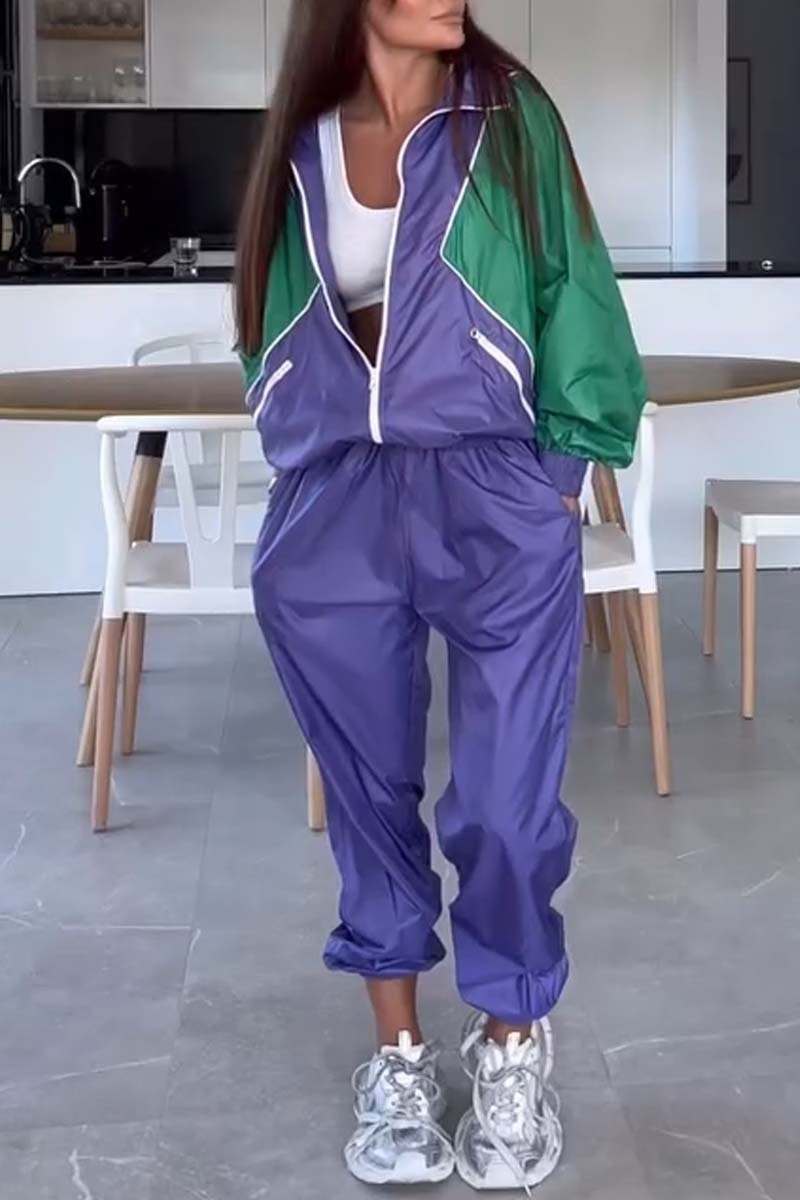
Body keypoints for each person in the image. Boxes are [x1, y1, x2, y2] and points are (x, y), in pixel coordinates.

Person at [236, 0, 646, 1190]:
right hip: (337, 506)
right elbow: (265, 305)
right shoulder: (302, 135)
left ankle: (511, 1039)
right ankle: (400, 1057)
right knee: (367, 801)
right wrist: (292, 435)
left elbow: (574, 284)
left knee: (507, 808)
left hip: (490, 488)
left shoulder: (507, 118)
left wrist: (560, 470)